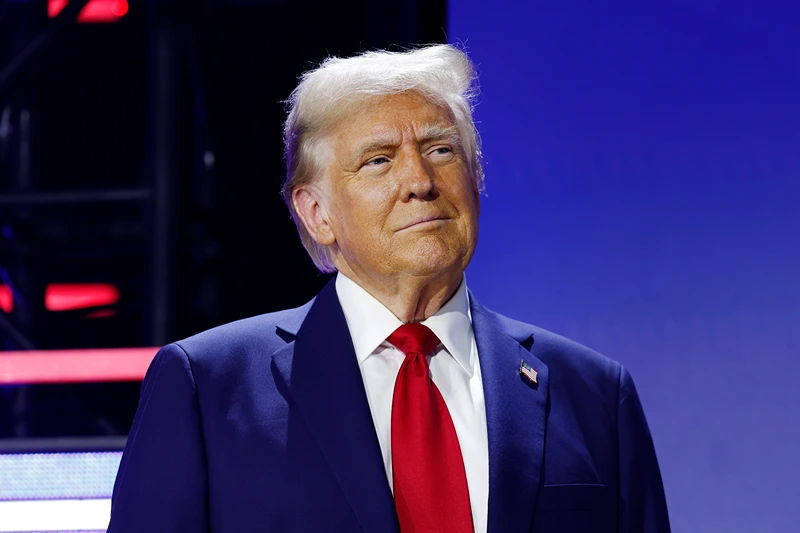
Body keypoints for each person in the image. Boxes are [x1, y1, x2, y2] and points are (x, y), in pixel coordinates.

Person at [107, 44, 670, 533]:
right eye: (379, 161)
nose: (420, 182)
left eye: (442, 150)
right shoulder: (207, 389)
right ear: (317, 213)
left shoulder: (595, 394)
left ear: (477, 180)